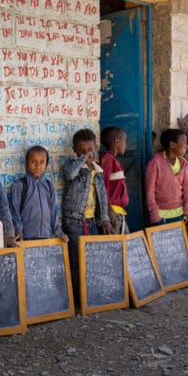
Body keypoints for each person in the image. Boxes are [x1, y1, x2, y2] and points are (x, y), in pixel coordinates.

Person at [61, 129, 114, 301]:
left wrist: (105, 219)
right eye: (82, 151)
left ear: (96, 148)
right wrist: (83, 159)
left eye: (90, 150)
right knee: (76, 260)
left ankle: (90, 295)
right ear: (75, 150)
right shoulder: (72, 166)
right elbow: (69, 174)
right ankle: (77, 298)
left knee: (91, 258)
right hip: (74, 222)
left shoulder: (97, 171)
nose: (87, 154)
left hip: (92, 221)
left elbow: (103, 197)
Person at [9, 145, 67, 242]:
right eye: (33, 162)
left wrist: (59, 233)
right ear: (27, 163)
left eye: (41, 162)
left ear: (46, 164)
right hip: (25, 237)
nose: (38, 166)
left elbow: (53, 211)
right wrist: (18, 230)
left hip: (45, 236)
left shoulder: (49, 185)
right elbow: (14, 211)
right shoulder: (20, 185)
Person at [145, 128, 188, 225]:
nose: (186, 146)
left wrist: (187, 209)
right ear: (172, 145)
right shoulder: (155, 163)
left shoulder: (183, 163)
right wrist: (154, 214)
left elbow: (187, 187)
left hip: (179, 214)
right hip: (161, 216)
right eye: (183, 143)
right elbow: (150, 190)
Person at [99, 126, 130, 233]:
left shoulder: (113, 160)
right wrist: (109, 212)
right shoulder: (107, 160)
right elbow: (102, 188)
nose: (126, 145)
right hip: (112, 213)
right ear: (117, 142)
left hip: (118, 213)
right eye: (125, 141)